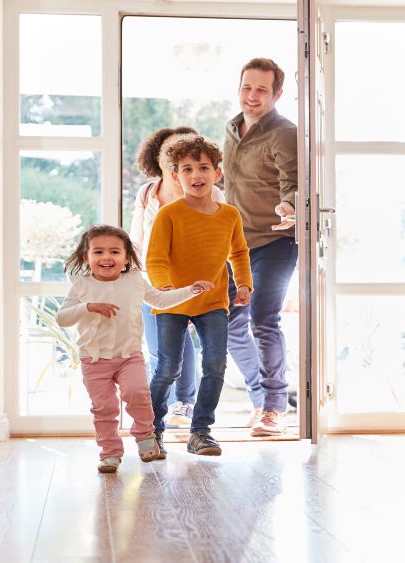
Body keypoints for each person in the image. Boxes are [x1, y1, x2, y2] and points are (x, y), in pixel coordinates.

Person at [57, 225, 211, 473]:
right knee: (104, 408)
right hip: (93, 360)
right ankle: (110, 454)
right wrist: (88, 307)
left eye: (114, 251)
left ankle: (145, 436)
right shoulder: (81, 286)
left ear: (126, 257)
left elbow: (160, 300)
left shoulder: (135, 281)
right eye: (98, 252)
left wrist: (191, 290)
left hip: (129, 356)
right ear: (86, 257)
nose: (107, 257)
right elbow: (62, 318)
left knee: (138, 393)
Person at [147, 136, 253, 456]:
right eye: (187, 169)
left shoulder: (230, 215)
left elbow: (239, 253)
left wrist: (244, 284)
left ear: (217, 174)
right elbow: (156, 259)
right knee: (168, 368)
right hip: (172, 301)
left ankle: (201, 431)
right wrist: (166, 289)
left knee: (216, 365)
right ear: (176, 176)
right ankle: (151, 430)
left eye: (203, 168)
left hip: (212, 302)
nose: (196, 175)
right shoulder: (169, 214)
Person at [130, 126, 226, 427]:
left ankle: (184, 404)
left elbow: (222, 239)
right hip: (153, 281)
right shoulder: (147, 193)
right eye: (174, 153)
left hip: (197, 284)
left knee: (203, 354)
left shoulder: (210, 194)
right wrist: (133, 274)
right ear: (163, 159)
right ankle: (152, 419)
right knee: (163, 354)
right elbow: (137, 238)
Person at [222, 57, 299, 436]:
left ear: (277, 94)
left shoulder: (284, 133)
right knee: (232, 323)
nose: (252, 96)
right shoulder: (232, 128)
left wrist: (289, 203)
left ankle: (275, 407)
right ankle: (258, 399)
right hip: (235, 244)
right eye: (246, 87)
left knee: (263, 321)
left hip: (274, 241)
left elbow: (293, 182)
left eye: (261, 90)